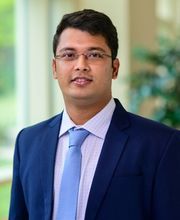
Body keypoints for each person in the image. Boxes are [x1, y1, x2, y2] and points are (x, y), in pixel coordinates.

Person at [9, 9, 180, 220]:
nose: (81, 66)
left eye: (94, 55)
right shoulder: (28, 142)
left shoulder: (161, 145)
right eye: (69, 55)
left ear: (114, 68)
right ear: (55, 67)